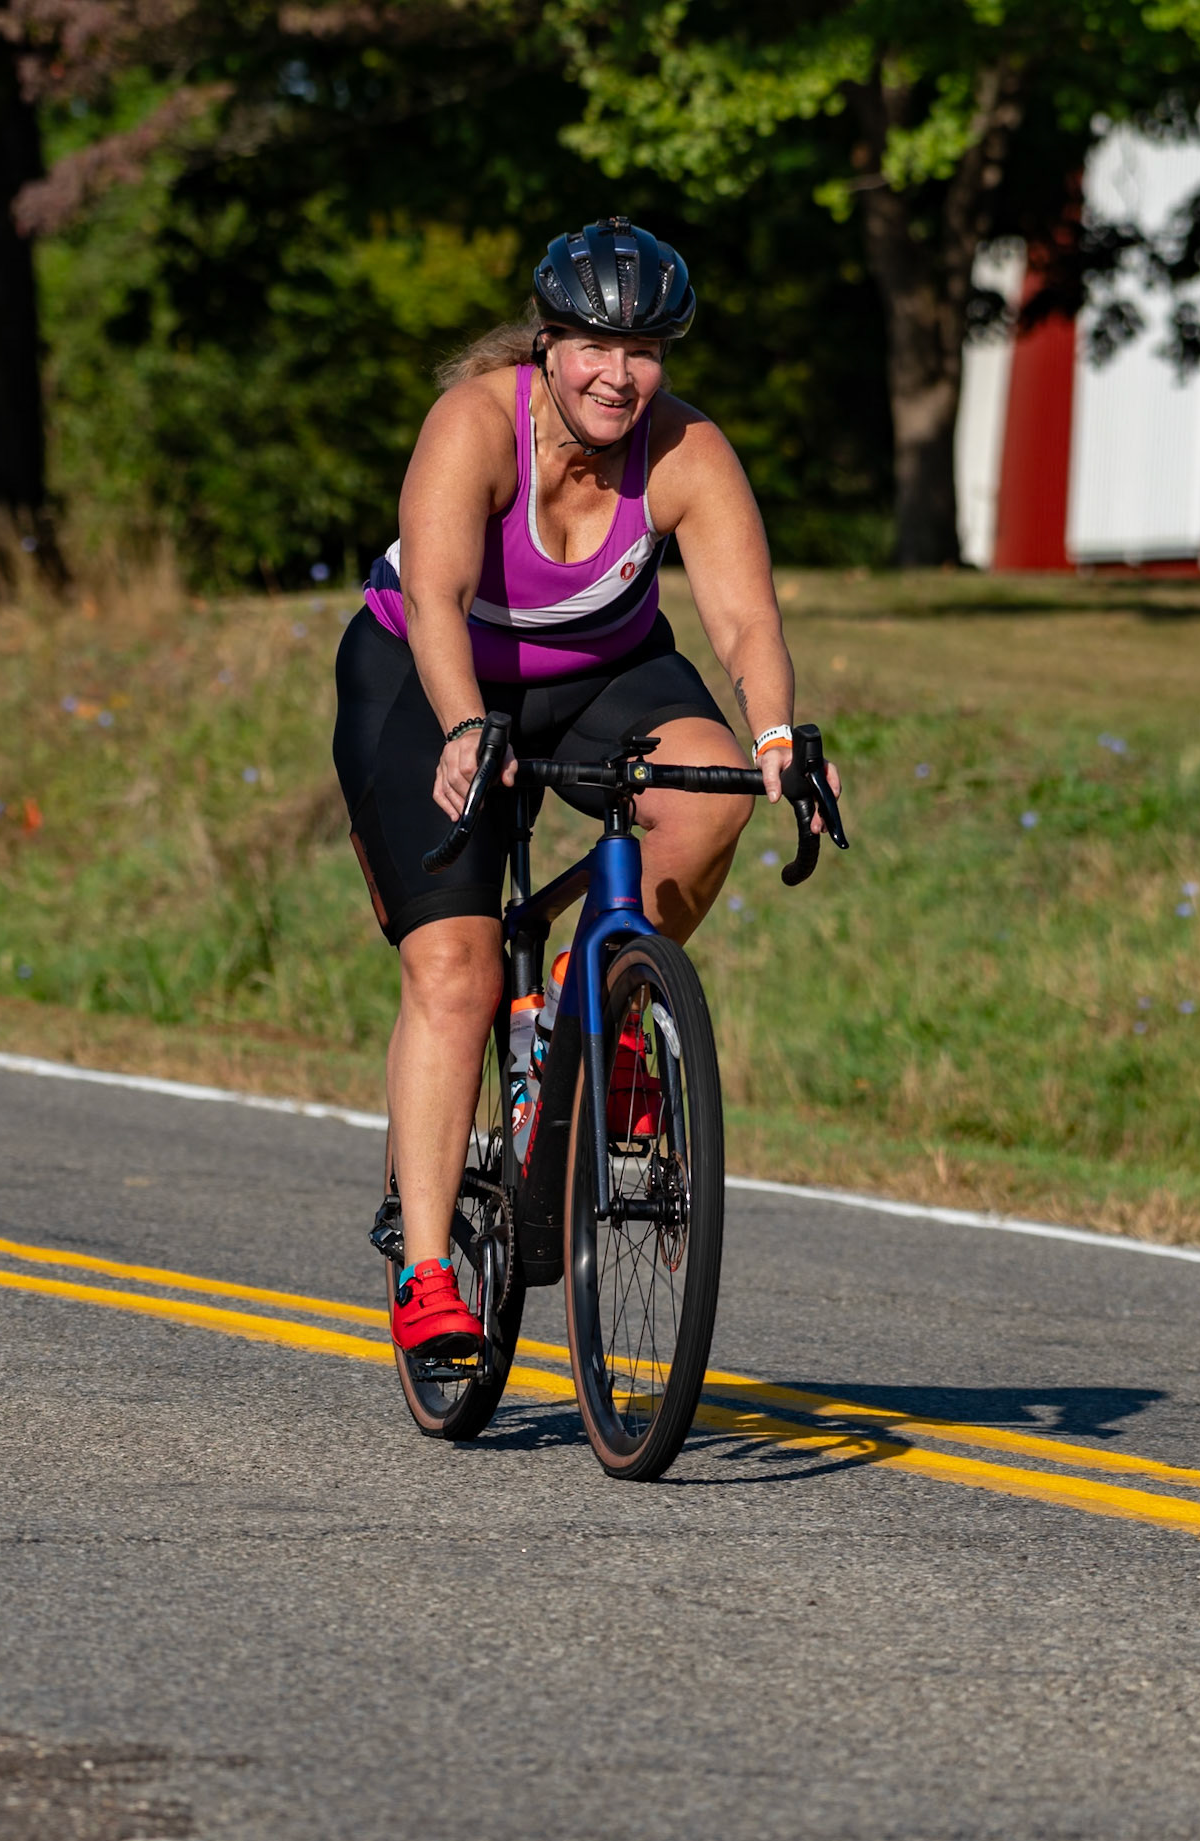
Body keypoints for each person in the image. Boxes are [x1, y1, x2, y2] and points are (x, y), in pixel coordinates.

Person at [333, 215, 839, 1358]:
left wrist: (775, 733)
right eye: (596, 348)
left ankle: (595, 1000)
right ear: (548, 345)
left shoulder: (685, 448)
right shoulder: (476, 423)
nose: (620, 375)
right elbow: (436, 599)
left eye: (644, 352)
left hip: (603, 668)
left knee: (713, 790)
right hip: (428, 674)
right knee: (456, 970)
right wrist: (466, 725)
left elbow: (744, 618)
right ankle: (426, 1271)